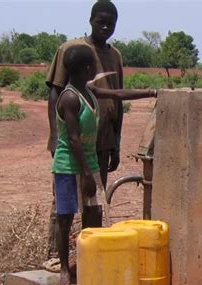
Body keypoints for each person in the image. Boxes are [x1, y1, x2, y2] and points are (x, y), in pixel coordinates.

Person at [53, 44, 157, 285]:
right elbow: (74, 139)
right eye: (92, 66)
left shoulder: (87, 90)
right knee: (65, 217)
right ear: (86, 68)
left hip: (88, 162)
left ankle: (89, 262)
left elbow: (118, 95)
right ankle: (64, 270)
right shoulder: (69, 97)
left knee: (94, 213)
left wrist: (152, 92)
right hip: (69, 167)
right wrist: (88, 175)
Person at [47, 0, 123, 187]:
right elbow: (55, 91)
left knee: (95, 196)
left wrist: (116, 142)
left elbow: (118, 100)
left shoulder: (115, 56)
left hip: (103, 139)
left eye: (110, 23)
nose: (105, 27)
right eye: (100, 22)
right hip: (73, 139)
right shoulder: (71, 50)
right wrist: (55, 135)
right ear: (90, 20)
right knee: (66, 199)